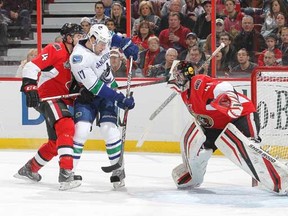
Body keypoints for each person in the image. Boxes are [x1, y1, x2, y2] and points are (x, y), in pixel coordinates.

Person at [13, 23, 85, 191]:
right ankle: (66, 173)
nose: (80, 39)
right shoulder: (57, 48)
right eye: (77, 35)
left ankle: (30, 169)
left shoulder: (79, 55)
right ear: (68, 38)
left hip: (61, 99)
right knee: (66, 125)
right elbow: (31, 66)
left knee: (55, 142)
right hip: (48, 98)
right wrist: (30, 86)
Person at [168, 60, 260, 189]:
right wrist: (171, 80)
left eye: (179, 75)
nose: (177, 79)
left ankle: (271, 171)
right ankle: (194, 176)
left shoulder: (197, 82)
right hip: (216, 126)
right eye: (176, 76)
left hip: (240, 115)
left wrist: (230, 98)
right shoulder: (184, 93)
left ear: (187, 75)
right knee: (200, 152)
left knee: (251, 148)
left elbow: (221, 86)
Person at [69, 24, 138, 189]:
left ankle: (118, 171)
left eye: (105, 43)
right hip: (88, 96)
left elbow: (114, 38)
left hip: (107, 92)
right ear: (92, 39)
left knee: (109, 129)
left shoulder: (103, 39)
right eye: (100, 43)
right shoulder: (78, 57)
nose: (104, 47)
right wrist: (119, 99)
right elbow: (96, 88)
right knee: (81, 130)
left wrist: (127, 45)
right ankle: (69, 171)